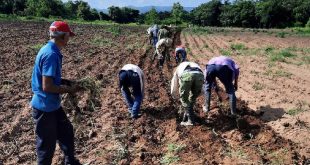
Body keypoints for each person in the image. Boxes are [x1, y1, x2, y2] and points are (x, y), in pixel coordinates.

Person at [30, 21, 82, 165]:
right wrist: (70, 90)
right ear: (63, 36)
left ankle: (70, 161)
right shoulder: (51, 54)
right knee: (46, 148)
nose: (69, 39)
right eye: (68, 36)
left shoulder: (48, 49)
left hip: (52, 105)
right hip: (44, 107)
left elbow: (51, 79)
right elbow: (47, 86)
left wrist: (67, 82)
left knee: (66, 132)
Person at [171, 61, 204, 126]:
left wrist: (176, 96)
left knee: (184, 99)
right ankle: (188, 116)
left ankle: (191, 121)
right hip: (200, 75)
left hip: (187, 75)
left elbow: (174, 85)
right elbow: (202, 83)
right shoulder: (195, 64)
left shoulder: (177, 70)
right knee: (192, 99)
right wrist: (199, 93)